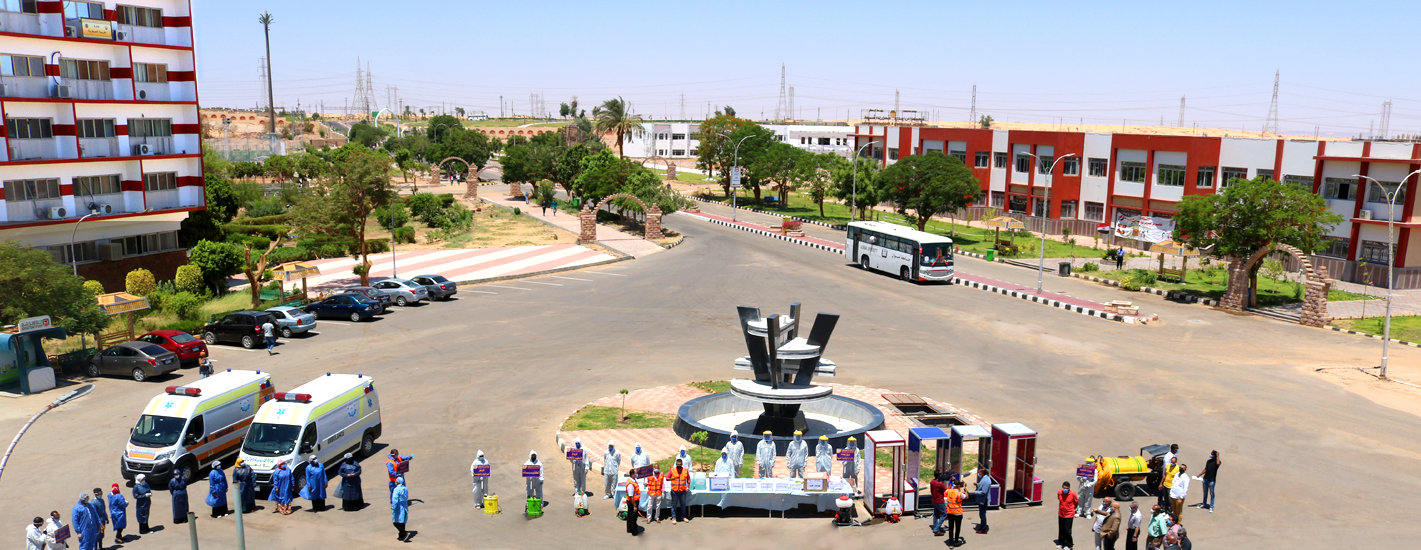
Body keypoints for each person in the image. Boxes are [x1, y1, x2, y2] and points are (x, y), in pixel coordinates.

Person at [945, 478, 967, 546]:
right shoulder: (959, 493)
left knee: (951, 528)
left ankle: (951, 543)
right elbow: (966, 497)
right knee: (957, 527)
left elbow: (947, 490)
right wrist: (965, 488)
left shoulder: (948, 491)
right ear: (959, 486)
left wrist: (950, 482)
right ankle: (956, 540)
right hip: (958, 513)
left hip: (950, 512)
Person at [668, 458, 691, 522]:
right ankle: (674, 518)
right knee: (674, 505)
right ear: (676, 464)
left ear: (682, 464)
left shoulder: (685, 470)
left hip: (682, 491)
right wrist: (672, 478)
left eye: (680, 465)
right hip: (674, 491)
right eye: (677, 465)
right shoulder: (672, 470)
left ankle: (683, 517)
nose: (679, 466)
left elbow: (688, 480)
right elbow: (667, 478)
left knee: (683, 504)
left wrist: (688, 487)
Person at [629, 443, 651, 511]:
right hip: (636, 475)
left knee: (644, 487)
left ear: (641, 447)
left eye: (639, 447)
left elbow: (648, 463)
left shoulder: (645, 454)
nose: (638, 448)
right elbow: (632, 464)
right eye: (636, 447)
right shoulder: (633, 455)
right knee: (637, 487)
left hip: (644, 474)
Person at [1057, 481, 1077, 550]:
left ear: (1069, 488)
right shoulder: (1059, 492)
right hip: (1061, 514)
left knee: (1067, 530)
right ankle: (1061, 543)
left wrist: (1073, 509)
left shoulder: (1073, 494)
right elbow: (1060, 500)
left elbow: (1076, 502)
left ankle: (1069, 545)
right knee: (1061, 529)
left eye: (1067, 488)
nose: (1065, 490)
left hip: (1069, 514)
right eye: (1064, 488)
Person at [973, 467, 993, 534]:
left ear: (982, 473)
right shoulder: (985, 479)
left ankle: (984, 529)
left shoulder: (985, 480)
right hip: (983, 500)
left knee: (982, 515)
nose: (979, 474)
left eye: (979, 473)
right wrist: (977, 484)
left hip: (983, 500)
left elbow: (984, 491)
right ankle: (982, 526)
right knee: (981, 514)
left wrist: (976, 492)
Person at [623, 469, 642, 536]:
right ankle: (634, 531)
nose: (637, 475)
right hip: (633, 502)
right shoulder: (630, 484)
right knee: (633, 516)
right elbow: (631, 496)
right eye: (636, 474)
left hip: (632, 501)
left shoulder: (632, 481)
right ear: (632, 474)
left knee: (630, 515)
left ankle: (629, 528)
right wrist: (634, 506)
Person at [391, 476, 409, 542]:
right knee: (402, 521)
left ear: (398, 482)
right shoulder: (405, 488)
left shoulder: (396, 489)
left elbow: (395, 499)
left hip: (398, 507)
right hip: (404, 506)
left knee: (395, 522)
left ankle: (403, 532)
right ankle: (401, 535)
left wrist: (393, 507)